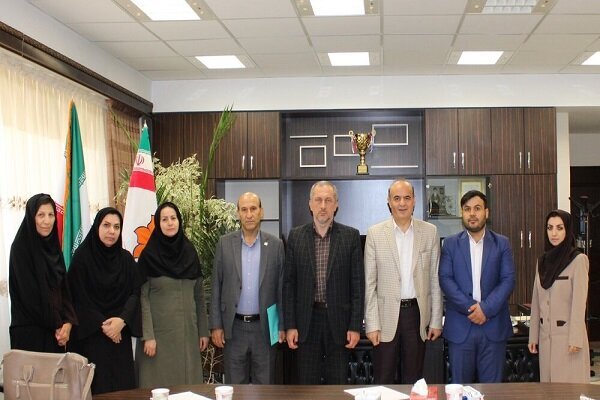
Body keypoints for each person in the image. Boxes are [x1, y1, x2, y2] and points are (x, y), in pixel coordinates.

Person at [283, 180, 364, 384]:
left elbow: (357, 286)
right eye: (318, 200)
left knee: (337, 384)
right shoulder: (296, 236)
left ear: (336, 205)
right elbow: (289, 286)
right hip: (306, 323)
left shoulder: (350, 237)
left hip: (339, 323)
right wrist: (290, 325)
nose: (323, 206)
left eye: (328, 200)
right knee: (307, 384)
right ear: (310, 204)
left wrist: (355, 326)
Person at [364, 179, 443, 384]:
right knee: (384, 378)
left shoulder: (430, 232)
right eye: (397, 198)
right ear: (389, 201)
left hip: (416, 315)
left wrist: (436, 320)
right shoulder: (375, 234)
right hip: (385, 316)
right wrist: (372, 324)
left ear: (414, 201)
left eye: (407, 198)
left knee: (413, 379)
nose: (402, 203)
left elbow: (435, 279)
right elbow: (370, 284)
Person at [439, 190, 515, 383]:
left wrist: (486, 309)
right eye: (467, 209)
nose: (472, 214)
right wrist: (472, 308)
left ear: (486, 212)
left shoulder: (502, 243)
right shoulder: (450, 244)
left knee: (492, 391)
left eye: (477, 208)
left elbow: (508, 279)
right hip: (461, 327)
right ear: (462, 213)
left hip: (493, 325)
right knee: (460, 389)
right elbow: (445, 279)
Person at [210, 192, 285, 384]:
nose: (249, 214)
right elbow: (216, 285)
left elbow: (281, 289)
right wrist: (216, 325)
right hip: (234, 328)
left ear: (261, 212)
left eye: (253, 209)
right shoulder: (224, 244)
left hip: (265, 328)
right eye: (244, 210)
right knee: (235, 387)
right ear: (238, 213)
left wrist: (282, 326)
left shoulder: (275, 245)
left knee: (265, 386)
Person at [68, 207, 143, 394]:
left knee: (124, 391)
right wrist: (106, 326)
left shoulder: (126, 259)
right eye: (106, 225)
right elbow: (78, 297)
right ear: (97, 227)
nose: (112, 231)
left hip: (120, 338)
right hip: (92, 337)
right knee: (97, 389)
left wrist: (122, 320)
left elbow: (136, 292)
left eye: (116, 227)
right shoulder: (82, 259)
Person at [136, 202, 210, 387]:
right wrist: (148, 336)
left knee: (187, 389)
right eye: (164, 219)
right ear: (158, 224)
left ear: (179, 221)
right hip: (158, 340)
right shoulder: (149, 256)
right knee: (158, 389)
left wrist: (203, 331)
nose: (170, 223)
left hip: (188, 336)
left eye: (173, 218)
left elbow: (199, 296)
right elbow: (142, 298)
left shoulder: (190, 252)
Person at [9, 193, 77, 352]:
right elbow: (29, 297)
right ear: (31, 217)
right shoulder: (20, 249)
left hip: (56, 333)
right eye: (41, 215)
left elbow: (63, 289)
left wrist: (68, 322)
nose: (47, 221)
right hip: (30, 334)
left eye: (51, 215)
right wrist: (57, 324)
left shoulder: (53, 247)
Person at [528, 209, 590, 383]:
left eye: (559, 228)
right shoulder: (542, 261)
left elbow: (579, 303)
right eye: (550, 228)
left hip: (568, 341)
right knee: (548, 390)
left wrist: (576, 339)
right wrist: (533, 335)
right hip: (546, 339)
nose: (553, 233)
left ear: (567, 230)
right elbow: (536, 300)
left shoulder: (578, 260)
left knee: (569, 390)